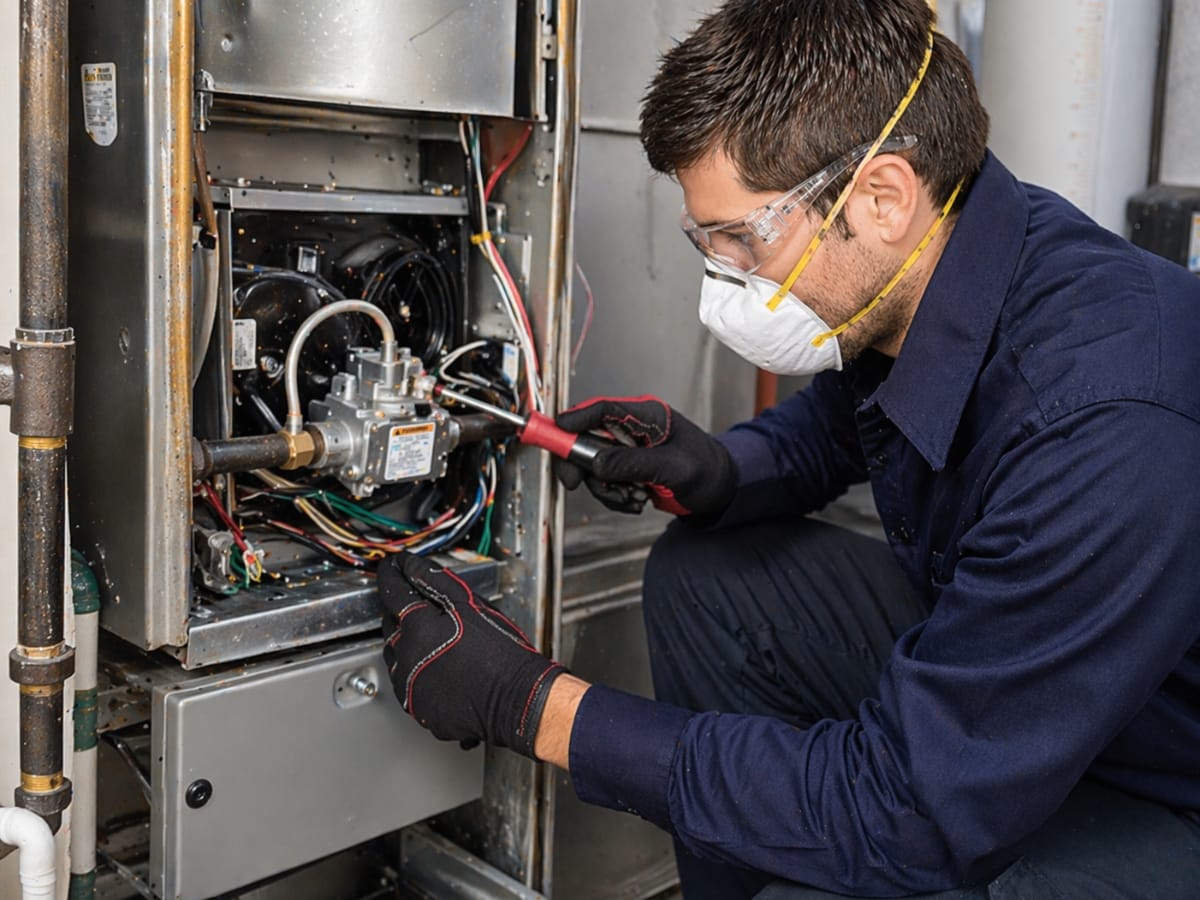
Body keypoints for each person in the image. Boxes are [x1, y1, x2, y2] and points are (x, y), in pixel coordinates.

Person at [378, 0, 1200, 896]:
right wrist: (724, 471)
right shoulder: (956, 256)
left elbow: (906, 814)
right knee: (708, 582)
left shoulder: (1106, 422)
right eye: (707, 240)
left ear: (881, 196)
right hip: (1030, 682)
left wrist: (535, 707)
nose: (722, 278)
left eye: (743, 237)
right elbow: (856, 417)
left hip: (1159, 777)